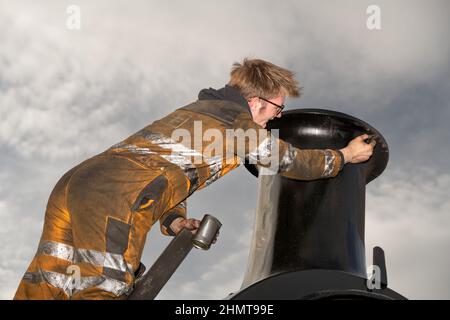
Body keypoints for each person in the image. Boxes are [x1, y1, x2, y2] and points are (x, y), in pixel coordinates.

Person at [14, 58, 375, 300]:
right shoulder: (235, 122)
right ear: (258, 101)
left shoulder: (200, 114)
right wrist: (344, 157)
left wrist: (173, 219)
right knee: (102, 287)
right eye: (278, 109)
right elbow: (286, 159)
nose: (275, 119)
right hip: (115, 194)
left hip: (77, 184)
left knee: (50, 280)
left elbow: (166, 167)